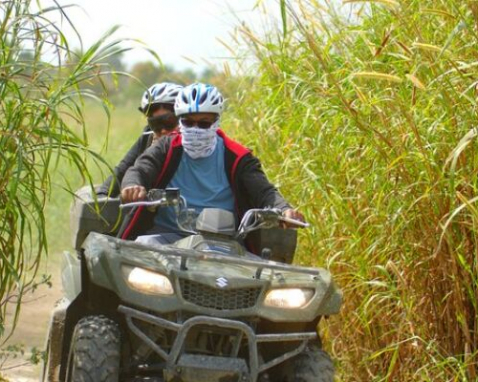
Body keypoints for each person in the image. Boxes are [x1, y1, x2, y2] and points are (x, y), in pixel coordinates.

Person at [119, 82, 304, 245]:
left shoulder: (238, 157)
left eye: (204, 123)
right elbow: (141, 168)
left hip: (224, 245)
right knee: (137, 258)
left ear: (216, 121)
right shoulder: (165, 147)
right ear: (180, 121)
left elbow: (265, 191)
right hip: (164, 238)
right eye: (188, 122)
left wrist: (284, 210)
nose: (195, 129)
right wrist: (133, 185)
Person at [96, 82, 183, 197]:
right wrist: (102, 196)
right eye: (155, 124)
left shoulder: (197, 142)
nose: (162, 130)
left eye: (168, 122)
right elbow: (123, 170)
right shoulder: (148, 137)